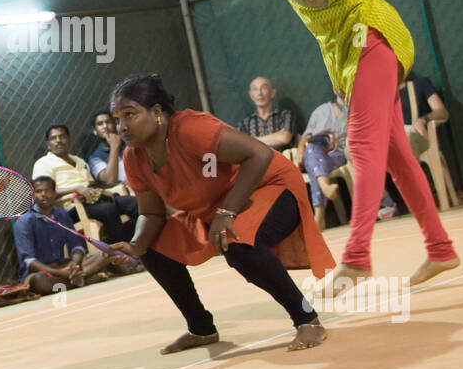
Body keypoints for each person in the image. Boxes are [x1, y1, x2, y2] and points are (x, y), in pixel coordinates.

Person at [123, 0, 460, 286]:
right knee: (396, 155)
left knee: (360, 142)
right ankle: (441, 249)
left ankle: (356, 257)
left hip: (372, 33)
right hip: (340, 50)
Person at [107, 75, 335, 353]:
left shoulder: (191, 128)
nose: (122, 126)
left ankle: (307, 319)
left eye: (129, 115)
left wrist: (227, 212)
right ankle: (200, 328)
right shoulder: (133, 157)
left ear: (156, 112)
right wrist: (134, 246)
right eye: (117, 119)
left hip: (268, 185)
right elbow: (151, 214)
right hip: (211, 207)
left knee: (239, 246)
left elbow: (259, 155)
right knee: (153, 249)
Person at [13, 176, 134, 295]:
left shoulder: (62, 215)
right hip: (42, 272)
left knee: (105, 254)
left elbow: (76, 247)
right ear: (33, 196)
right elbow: (29, 262)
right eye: (38, 191)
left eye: (48, 190)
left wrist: (76, 264)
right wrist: (59, 273)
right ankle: (83, 280)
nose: (43, 194)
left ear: (55, 193)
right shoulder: (24, 221)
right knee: (40, 283)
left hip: (65, 267)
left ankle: (76, 279)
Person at [293, 96, 396, 228]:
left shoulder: (360, 110)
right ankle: (325, 187)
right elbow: (306, 136)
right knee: (312, 149)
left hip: (342, 156)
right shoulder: (322, 111)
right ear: (336, 89)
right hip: (319, 153)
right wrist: (301, 148)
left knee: (320, 162)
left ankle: (319, 214)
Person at [33, 123, 139, 242]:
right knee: (108, 209)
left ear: (69, 140)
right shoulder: (43, 163)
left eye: (62, 136)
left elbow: (91, 183)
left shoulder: (79, 160)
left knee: (134, 203)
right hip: (70, 208)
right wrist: (76, 189)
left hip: (94, 200)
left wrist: (98, 188)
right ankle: (119, 252)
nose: (58, 140)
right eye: (53, 138)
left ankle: (128, 242)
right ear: (48, 144)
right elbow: (43, 193)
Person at [399, 71, 450, 159]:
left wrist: (423, 120)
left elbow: (442, 112)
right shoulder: (381, 101)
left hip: (419, 136)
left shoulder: (420, 84)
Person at [237, 77, 295, 149]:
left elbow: (285, 138)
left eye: (264, 88)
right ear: (251, 95)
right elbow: (242, 146)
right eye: (255, 89)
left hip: (282, 158)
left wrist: (251, 140)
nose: (259, 93)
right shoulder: (244, 124)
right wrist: (277, 137)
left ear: (272, 93)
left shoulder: (285, 115)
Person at [88, 110, 129, 189]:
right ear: (95, 131)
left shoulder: (129, 143)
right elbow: (109, 181)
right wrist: (114, 146)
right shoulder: (95, 157)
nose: (105, 126)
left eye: (108, 122)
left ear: (115, 125)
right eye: (100, 124)